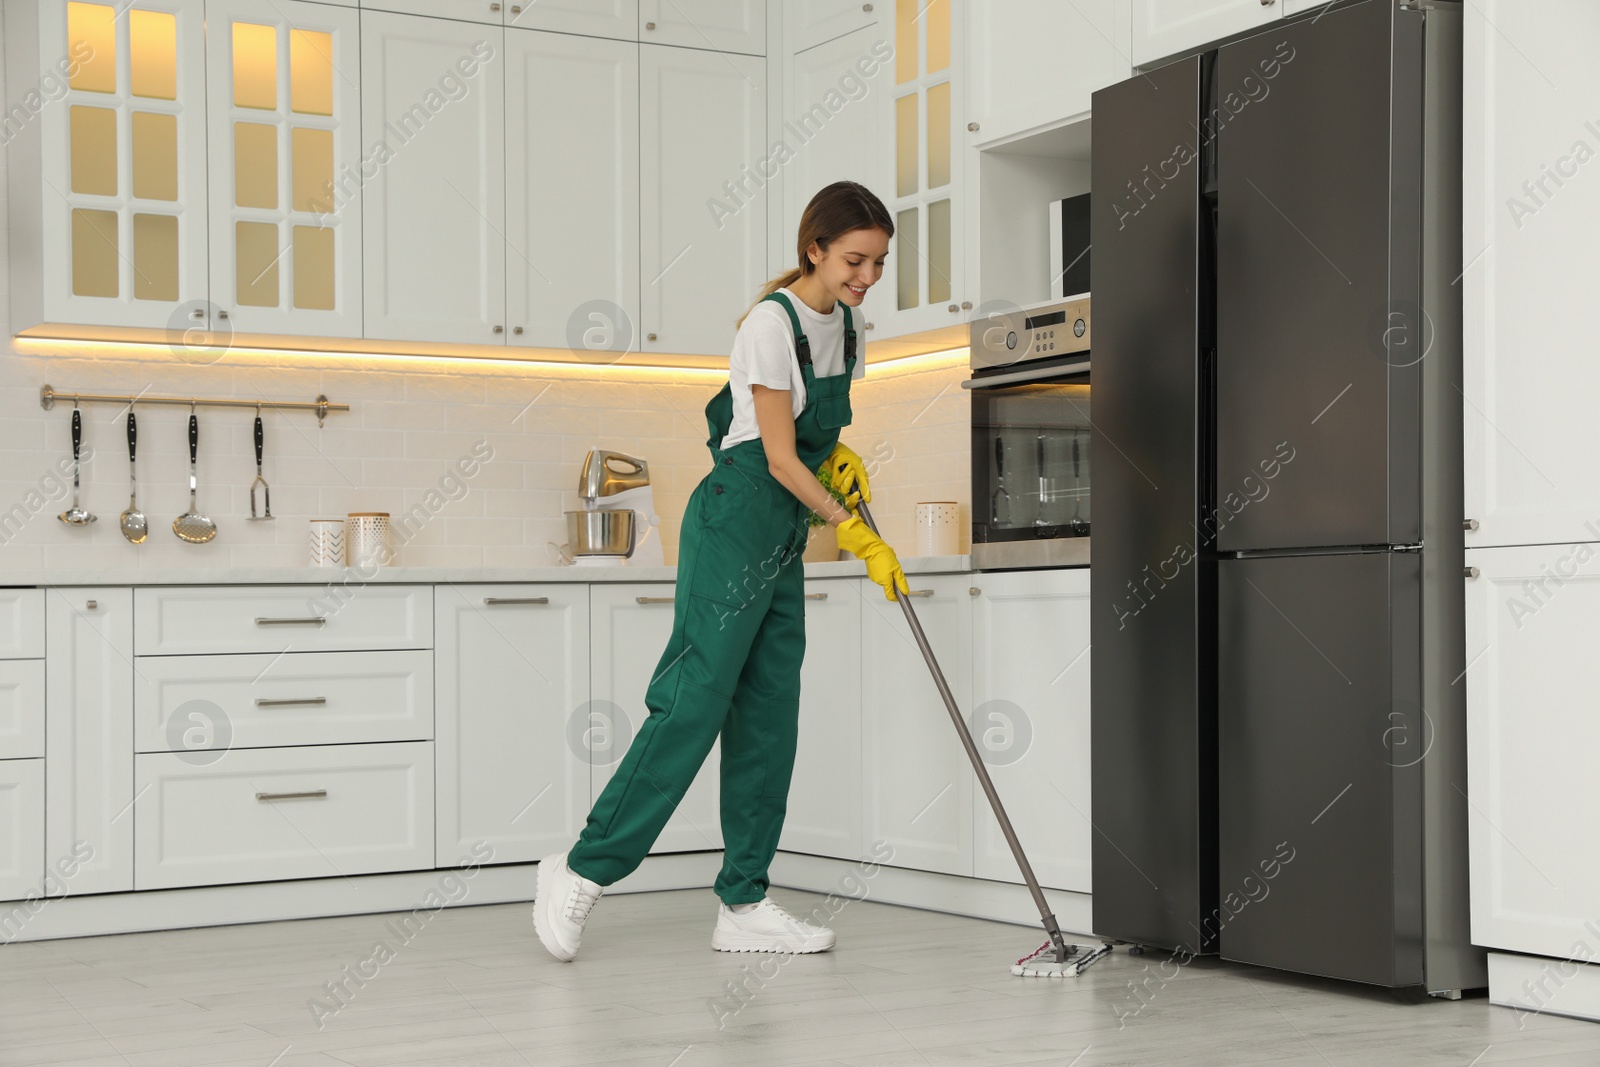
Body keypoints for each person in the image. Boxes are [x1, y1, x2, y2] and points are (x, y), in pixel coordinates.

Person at [532, 180, 910, 962]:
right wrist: (855, 530)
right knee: (695, 702)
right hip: (736, 520)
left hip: (783, 534)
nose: (865, 277)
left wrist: (840, 464)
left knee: (771, 714)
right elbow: (774, 453)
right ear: (815, 248)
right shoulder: (770, 327)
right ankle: (581, 868)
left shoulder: (849, 326)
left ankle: (744, 899)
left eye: (876, 263)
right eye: (853, 260)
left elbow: (811, 444)